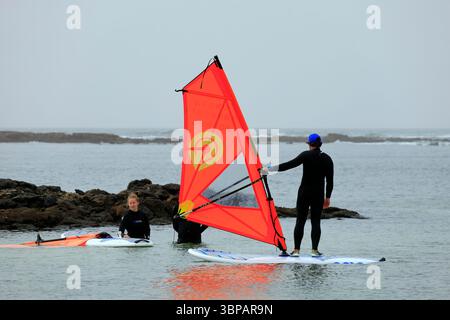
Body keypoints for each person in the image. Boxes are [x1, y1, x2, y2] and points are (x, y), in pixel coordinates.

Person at [262, 133, 333, 257]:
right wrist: (327, 197)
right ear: (320, 144)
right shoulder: (327, 158)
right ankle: (315, 251)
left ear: (309, 144)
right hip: (318, 194)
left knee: (300, 220)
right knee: (316, 221)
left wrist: (268, 169)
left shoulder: (305, 155)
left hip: (304, 193)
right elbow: (330, 180)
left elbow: (288, 165)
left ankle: (296, 251)